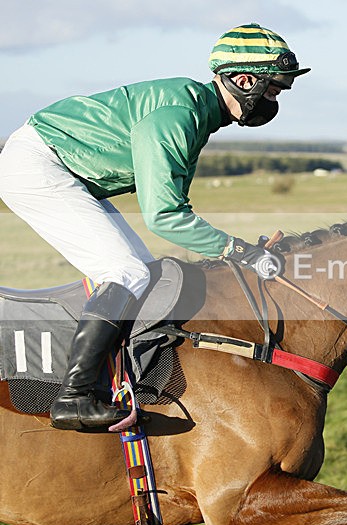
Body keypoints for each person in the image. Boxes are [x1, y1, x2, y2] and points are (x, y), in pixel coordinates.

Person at [0, 23, 309, 431]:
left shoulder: (197, 112)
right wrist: (238, 251)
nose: (274, 101)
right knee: (125, 272)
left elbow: (173, 207)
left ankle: (119, 379)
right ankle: (74, 397)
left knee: (139, 271)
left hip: (60, 166)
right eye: (272, 90)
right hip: (40, 165)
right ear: (244, 79)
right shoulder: (179, 115)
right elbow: (164, 216)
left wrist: (233, 247)